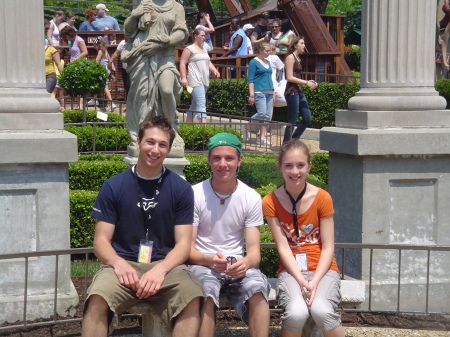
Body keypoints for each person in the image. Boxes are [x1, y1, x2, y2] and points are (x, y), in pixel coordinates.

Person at [81, 116, 204, 337]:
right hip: (122, 265)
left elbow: (184, 243)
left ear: (168, 149)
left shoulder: (181, 189)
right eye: (150, 142)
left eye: (162, 144)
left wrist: (160, 269)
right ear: (138, 142)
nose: (155, 150)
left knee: (192, 297)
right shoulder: (113, 186)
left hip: (166, 267)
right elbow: (100, 241)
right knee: (97, 298)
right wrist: (118, 264)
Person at [188, 132, 271, 337]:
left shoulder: (250, 197)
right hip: (203, 263)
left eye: (229, 158)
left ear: (239, 160)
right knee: (205, 292)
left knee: (258, 289)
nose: (222, 164)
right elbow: (187, 250)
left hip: (236, 265)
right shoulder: (194, 194)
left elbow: (254, 254)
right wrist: (210, 260)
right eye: (216, 158)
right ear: (208, 160)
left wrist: (246, 262)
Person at [262, 139, 344, 337]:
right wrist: (301, 281)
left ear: (309, 166)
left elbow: (328, 247)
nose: (295, 172)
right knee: (296, 313)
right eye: (288, 166)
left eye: (300, 165)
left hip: (323, 270)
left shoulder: (322, 197)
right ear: (280, 166)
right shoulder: (270, 201)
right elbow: (283, 247)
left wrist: (313, 282)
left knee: (322, 311)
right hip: (291, 271)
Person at [121, 0, 188, 153]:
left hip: (165, 57)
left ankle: (170, 130)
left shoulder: (176, 7)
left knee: (166, 90)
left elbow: (182, 33)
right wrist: (135, 15)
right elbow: (128, 31)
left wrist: (164, 43)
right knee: (143, 96)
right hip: (143, 56)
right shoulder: (144, 3)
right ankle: (145, 134)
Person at [179, 29, 220, 124]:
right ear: (195, 36)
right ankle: (204, 128)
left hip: (204, 79)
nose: (203, 37)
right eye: (201, 35)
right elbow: (182, 63)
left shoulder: (204, 49)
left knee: (195, 104)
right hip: (195, 79)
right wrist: (184, 78)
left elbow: (208, 61)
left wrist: (214, 70)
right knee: (201, 103)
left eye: (204, 36)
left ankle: (187, 126)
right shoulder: (189, 49)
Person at [283, 36, 317, 143]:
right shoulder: (290, 57)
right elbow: (289, 77)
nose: (304, 46)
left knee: (307, 118)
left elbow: (296, 76)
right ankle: (286, 144)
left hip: (299, 91)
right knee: (292, 121)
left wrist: (307, 82)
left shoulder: (298, 58)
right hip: (292, 91)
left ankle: (293, 140)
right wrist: (306, 82)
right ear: (295, 45)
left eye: (303, 43)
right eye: (301, 43)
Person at [245, 43, 274, 146]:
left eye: (269, 50)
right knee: (261, 113)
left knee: (267, 116)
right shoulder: (254, 62)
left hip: (269, 91)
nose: (268, 53)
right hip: (259, 91)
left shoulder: (268, 62)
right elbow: (251, 80)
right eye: (266, 50)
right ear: (260, 50)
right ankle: (246, 128)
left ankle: (261, 137)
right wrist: (251, 95)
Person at [59, 26, 88, 109]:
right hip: (73, 65)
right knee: (75, 85)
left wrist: (76, 59)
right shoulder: (71, 42)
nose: (66, 38)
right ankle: (78, 104)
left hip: (79, 64)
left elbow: (85, 52)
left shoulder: (79, 40)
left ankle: (81, 105)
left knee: (80, 85)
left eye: (66, 36)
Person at [93, 36, 116, 111]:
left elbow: (96, 61)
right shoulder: (106, 51)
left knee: (105, 88)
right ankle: (94, 99)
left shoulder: (100, 51)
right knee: (96, 83)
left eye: (95, 45)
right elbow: (110, 61)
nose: (94, 47)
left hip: (103, 71)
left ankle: (112, 103)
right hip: (106, 70)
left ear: (98, 44)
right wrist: (112, 70)